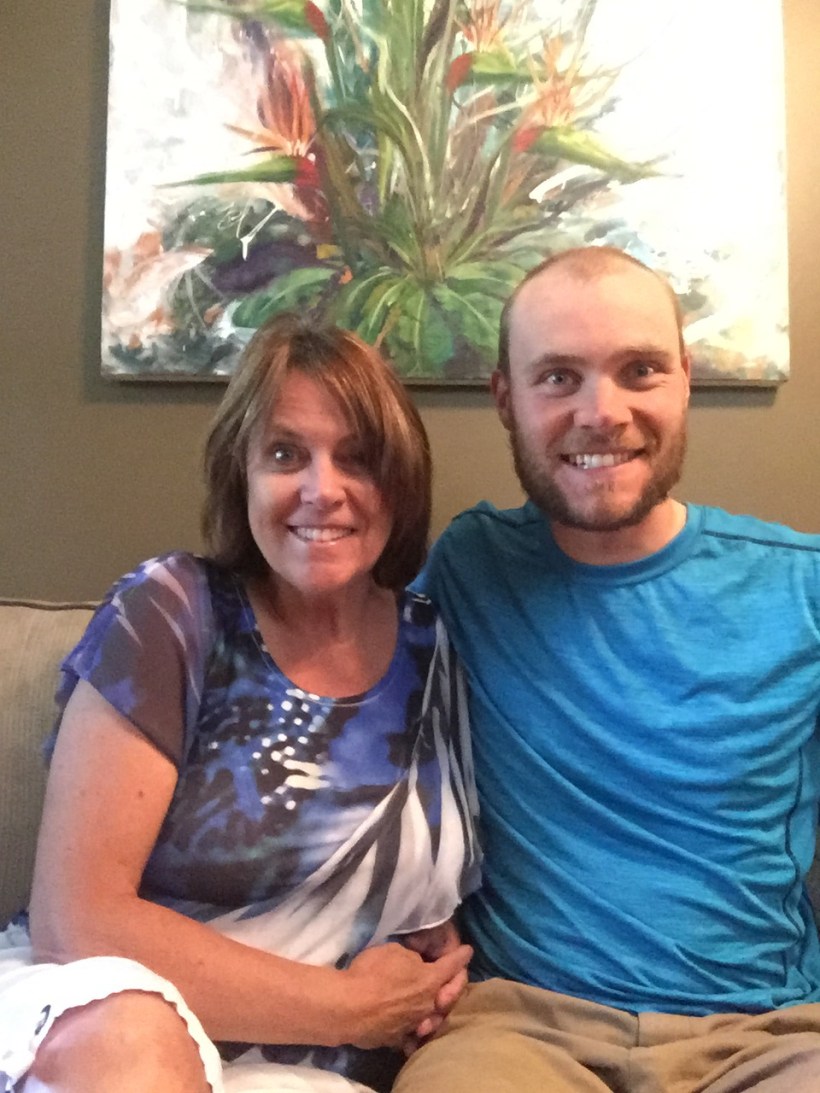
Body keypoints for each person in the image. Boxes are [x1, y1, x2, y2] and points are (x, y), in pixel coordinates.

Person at [0, 315, 480, 1093]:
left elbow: (424, 893)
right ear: (241, 473)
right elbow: (77, 919)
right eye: (286, 453)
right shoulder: (172, 613)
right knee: (135, 1038)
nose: (323, 489)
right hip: (100, 1018)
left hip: (303, 1067)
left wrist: (426, 964)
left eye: (357, 456)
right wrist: (350, 1008)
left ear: (400, 479)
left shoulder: (436, 645)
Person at [394, 245, 820, 1093]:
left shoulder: (801, 587)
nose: (603, 412)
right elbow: (339, 719)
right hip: (517, 1028)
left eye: (640, 370)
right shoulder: (471, 567)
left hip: (766, 1034)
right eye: (559, 377)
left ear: (685, 379)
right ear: (505, 398)